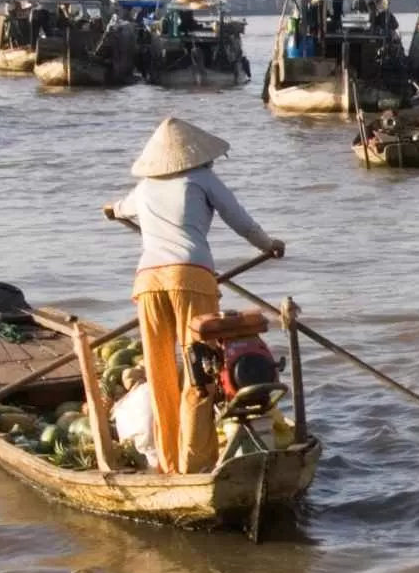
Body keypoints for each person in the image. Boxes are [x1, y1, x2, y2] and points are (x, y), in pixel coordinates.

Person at [103, 119, 284, 474]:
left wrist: (111, 210)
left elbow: (118, 208)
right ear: (197, 157)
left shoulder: (143, 189)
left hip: (147, 282)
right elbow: (241, 221)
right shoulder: (202, 179)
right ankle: (196, 463)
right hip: (192, 277)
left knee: (160, 373)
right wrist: (270, 245)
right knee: (200, 371)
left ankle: (169, 463)